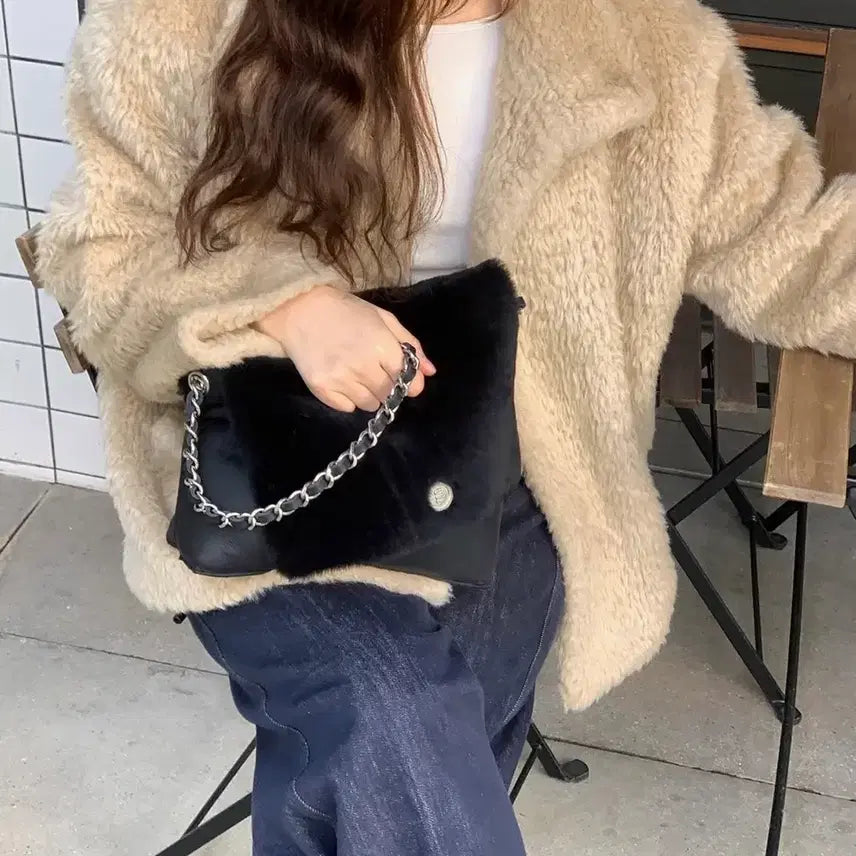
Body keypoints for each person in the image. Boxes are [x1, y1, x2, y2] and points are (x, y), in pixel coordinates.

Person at [37, 0, 856, 852]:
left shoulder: (649, 41)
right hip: (272, 477)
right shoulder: (184, 17)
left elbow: (794, 243)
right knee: (393, 713)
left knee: (417, 778)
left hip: (516, 479)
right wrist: (286, 309)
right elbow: (99, 250)